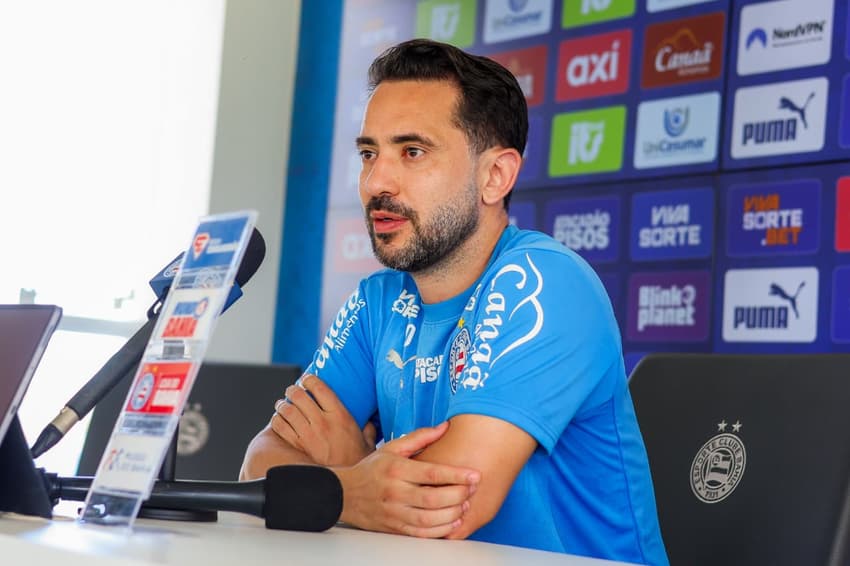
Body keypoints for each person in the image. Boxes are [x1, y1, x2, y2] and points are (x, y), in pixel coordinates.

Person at [241, 38, 668, 565]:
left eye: (412, 152)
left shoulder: (545, 281)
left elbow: (446, 509)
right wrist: (358, 486)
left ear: (496, 176)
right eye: (369, 153)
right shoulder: (377, 300)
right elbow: (259, 465)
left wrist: (343, 477)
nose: (376, 181)